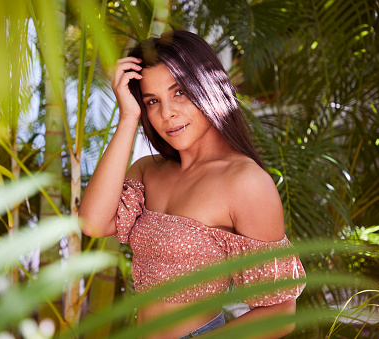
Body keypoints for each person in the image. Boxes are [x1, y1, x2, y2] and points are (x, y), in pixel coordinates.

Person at [79, 29, 305, 339]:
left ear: (207, 87)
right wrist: (128, 117)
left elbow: (281, 313)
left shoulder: (246, 183)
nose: (167, 113)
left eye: (179, 92)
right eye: (152, 101)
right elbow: (93, 222)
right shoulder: (149, 170)